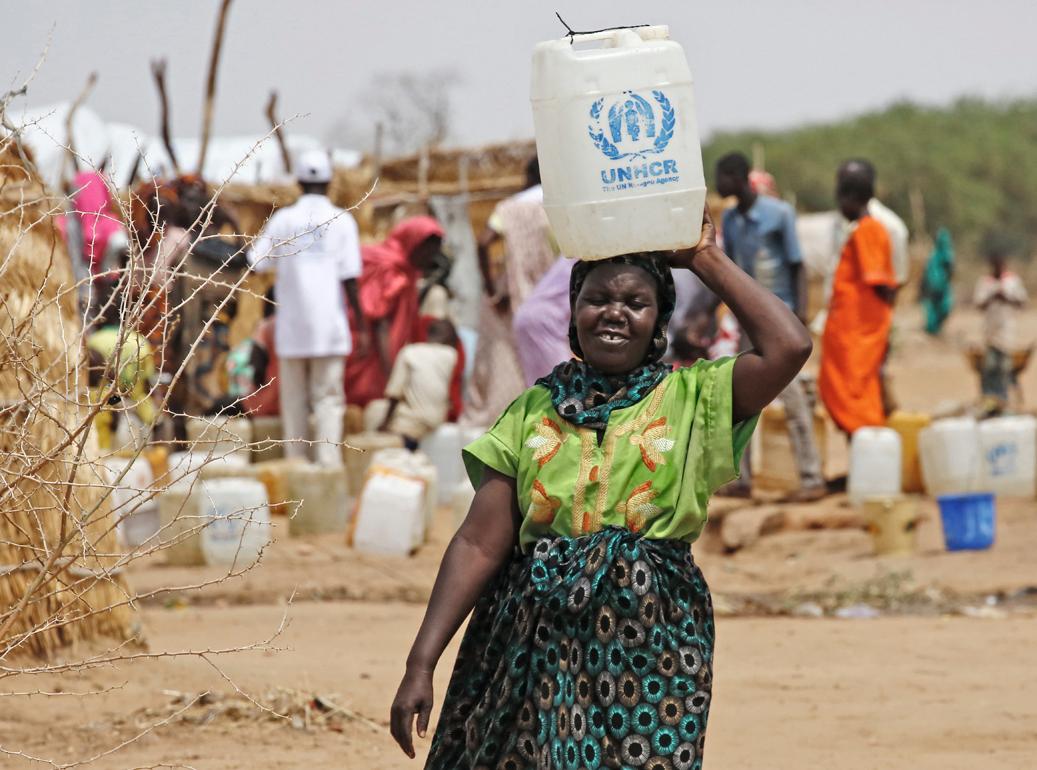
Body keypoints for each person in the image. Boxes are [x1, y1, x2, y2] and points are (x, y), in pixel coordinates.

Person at [389, 208, 812, 767]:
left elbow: (789, 347)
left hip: (652, 639)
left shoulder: (696, 398)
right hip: (533, 639)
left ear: (659, 320)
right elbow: (478, 543)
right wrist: (422, 661)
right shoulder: (532, 409)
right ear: (573, 313)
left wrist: (702, 258)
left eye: (635, 303)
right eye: (596, 300)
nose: (613, 314)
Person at [714, 152, 825, 501]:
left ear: (737, 177)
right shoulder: (730, 220)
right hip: (748, 322)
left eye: (721, 177)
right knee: (741, 399)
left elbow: (797, 266)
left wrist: (801, 316)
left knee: (792, 400)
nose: (717, 185)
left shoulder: (779, 214)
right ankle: (741, 478)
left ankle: (811, 478)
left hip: (780, 320)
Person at [248, 149, 366, 467]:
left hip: (293, 330)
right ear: (330, 182)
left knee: (294, 401)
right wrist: (363, 325)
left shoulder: (283, 220)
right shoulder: (344, 220)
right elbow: (351, 280)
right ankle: (328, 468)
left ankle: (296, 467)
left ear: (298, 182)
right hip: (330, 328)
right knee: (328, 400)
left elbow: (255, 262)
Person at [464, 156, 557, 426]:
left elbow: (483, 242)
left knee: (503, 360)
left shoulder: (510, 208)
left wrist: (492, 289)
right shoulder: (558, 206)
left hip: (514, 296)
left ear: (527, 177)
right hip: (555, 298)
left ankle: (508, 424)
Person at [819, 164, 897, 434]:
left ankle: (869, 453)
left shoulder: (869, 230)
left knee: (854, 392)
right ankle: (860, 459)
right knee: (843, 388)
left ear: (850, 198)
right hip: (850, 329)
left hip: (860, 332)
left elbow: (880, 282)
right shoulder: (862, 229)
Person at [344, 216, 445, 408]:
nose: (431, 257)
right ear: (413, 244)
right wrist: (390, 374)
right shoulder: (392, 271)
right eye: (428, 251)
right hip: (371, 353)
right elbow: (380, 321)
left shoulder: (407, 270)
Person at [86, 282, 161, 450]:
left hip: (102, 413)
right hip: (136, 414)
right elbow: (148, 385)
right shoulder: (140, 343)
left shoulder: (93, 341)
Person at [376, 319, 461, 450]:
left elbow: (394, 393)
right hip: (437, 418)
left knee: (378, 414)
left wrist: (384, 423)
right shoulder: (451, 355)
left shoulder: (410, 352)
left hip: (413, 422)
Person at [974, 243, 1028, 410]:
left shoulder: (1012, 281)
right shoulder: (985, 282)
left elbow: (1022, 302)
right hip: (990, 334)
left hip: (1007, 333)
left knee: (1005, 368)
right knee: (989, 369)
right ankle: (989, 400)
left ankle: (1004, 401)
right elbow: (979, 304)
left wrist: (1006, 297)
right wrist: (992, 296)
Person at [921, 227, 955, 335]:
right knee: (932, 307)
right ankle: (932, 328)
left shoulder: (947, 254)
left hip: (942, 286)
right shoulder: (933, 255)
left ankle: (938, 327)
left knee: (944, 307)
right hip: (932, 286)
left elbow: (951, 269)